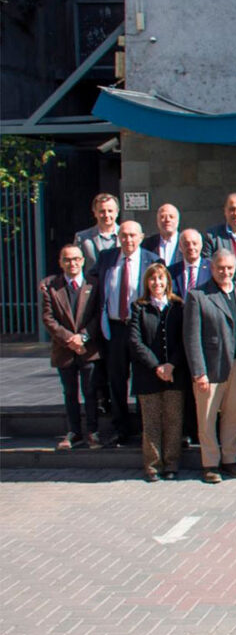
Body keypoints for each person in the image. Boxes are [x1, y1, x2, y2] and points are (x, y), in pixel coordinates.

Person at [184, 249, 236, 484]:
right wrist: (199, 372)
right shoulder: (198, 295)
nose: (225, 272)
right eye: (220, 268)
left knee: (234, 415)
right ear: (211, 267)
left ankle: (230, 459)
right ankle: (210, 463)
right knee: (207, 418)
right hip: (211, 368)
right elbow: (191, 337)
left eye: (229, 268)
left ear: (235, 268)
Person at [95, 220, 162, 445]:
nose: (128, 240)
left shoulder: (151, 260)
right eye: (124, 235)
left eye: (133, 235)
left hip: (141, 327)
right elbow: (93, 284)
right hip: (115, 327)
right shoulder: (106, 258)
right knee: (116, 379)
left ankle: (147, 428)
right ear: (118, 237)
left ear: (142, 237)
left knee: (143, 377)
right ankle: (120, 428)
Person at [128, 262, 187, 481]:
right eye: (152, 279)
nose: (157, 283)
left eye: (161, 279)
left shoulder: (177, 306)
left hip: (175, 374)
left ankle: (171, 463)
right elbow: (135, 341)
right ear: (147, 283)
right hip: (148, 375)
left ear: (168, 282)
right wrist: (156, 366)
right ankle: (153, 465)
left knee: (173, 420)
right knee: (151, 422)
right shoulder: (138, 307)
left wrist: (171, 365)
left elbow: (184, 340)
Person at [40, 245, 102, 451]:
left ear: (83, 260)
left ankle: (93, 431)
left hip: (88, 348)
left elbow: (97, 314)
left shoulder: (93, 284)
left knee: (91, 391)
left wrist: (83, 337)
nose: (72, 263)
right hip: (64, 349)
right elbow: (48, 319)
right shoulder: (51, 287)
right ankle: (74, 431)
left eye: (76, 259)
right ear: (60, 262)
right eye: (67, 259)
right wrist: (70, 339)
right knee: (70, 392)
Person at [75, 192, 120, 270]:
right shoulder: (82, 237)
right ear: (95, 213)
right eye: (102, 211)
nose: (106, 215)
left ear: (117, 212)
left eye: (110, 211)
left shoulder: (128, 236)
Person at [169, 229, 211, 299]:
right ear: (180, 247)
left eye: (194, 243)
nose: (191, 247)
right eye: (186, 244)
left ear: (201, 245)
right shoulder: (171, 271)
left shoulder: (212, 268)